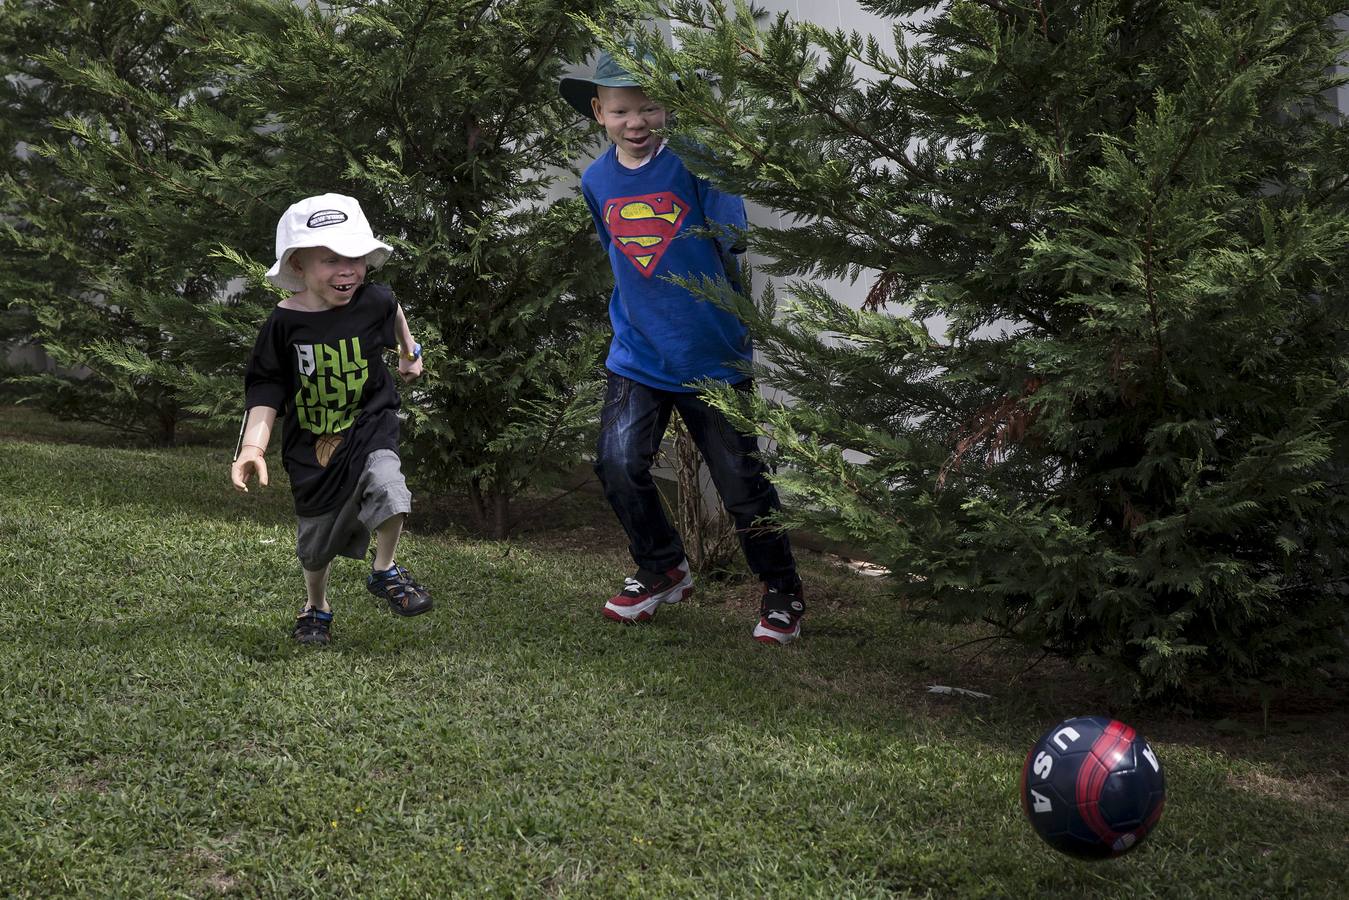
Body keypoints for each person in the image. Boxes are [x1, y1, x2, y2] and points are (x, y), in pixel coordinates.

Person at [560, 52, 805, 644]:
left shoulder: (697, 164)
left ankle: (782, 591)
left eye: (649, 107)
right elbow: (617, 254)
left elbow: (733, 242)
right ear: (599, 113)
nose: (636, 121)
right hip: (638, 353)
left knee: (741, 484)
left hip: (709, 355)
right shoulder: (596, 180)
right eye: (621, 110)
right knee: (617, 462)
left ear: (668, 108)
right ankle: (662, 567)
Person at [230, 193, 432, 645]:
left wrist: (408, 352)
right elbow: (266, 387)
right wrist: (252, 448)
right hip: (313, 446)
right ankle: (316, 605)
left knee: (390, 488)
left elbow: (392, 309)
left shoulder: (372, 299)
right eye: (331, 260)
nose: (347, 270)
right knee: (316, 544)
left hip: (370, 424)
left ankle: (384, 570)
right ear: (299, 265)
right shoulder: (283, 325)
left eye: (356, 258)